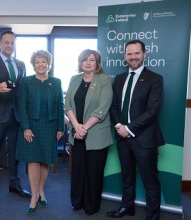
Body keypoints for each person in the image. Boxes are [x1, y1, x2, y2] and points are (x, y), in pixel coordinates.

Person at [107, 40, 165, 220]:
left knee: (150, 181)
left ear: (144, 54)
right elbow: (114, 106)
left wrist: (129, 129)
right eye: (129, 54)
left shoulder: (155, 79)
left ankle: (153, 217)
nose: (133, 57)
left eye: (137, 53)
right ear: (125, 56)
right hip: (122, 137)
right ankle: (127, 207)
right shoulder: (119, 79)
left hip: (144, 138)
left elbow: (152, 111)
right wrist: (119, 127)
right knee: (127, 176)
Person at [0, 30, 31, 211]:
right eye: (6, 42)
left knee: (14, 153)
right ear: (0, 44)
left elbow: (22, 88)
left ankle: (14, 184)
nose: (9, 45)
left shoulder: (21, 64)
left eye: (12, 43)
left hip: (15, 115)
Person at [65, 49, 113, 215]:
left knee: (94, 171)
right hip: (76, 133)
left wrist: (83, 127)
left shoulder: (105, 80)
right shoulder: (74, 79)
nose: (88, 62)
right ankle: (77, 202)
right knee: (77, 170)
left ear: (97, 63)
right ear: (80, 62)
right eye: (85, 59)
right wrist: (77, 126)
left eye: (92, 60)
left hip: (96, 134)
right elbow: (67, 105)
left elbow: (103, 108)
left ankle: (91, 205)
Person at [16, 50, 64, 214]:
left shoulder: (56, 82)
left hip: (50, 127)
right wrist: (26, 128)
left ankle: (42, 190)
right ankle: (34, 195)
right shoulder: (26, 82)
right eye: (37, 62)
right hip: (31, 127)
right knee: (33, 161)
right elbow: (21, 106)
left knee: (45, 160)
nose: (41, 64)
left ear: (48, 64)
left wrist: (60, 127)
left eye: (44, 61)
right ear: (33, 64)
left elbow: (60, 106)